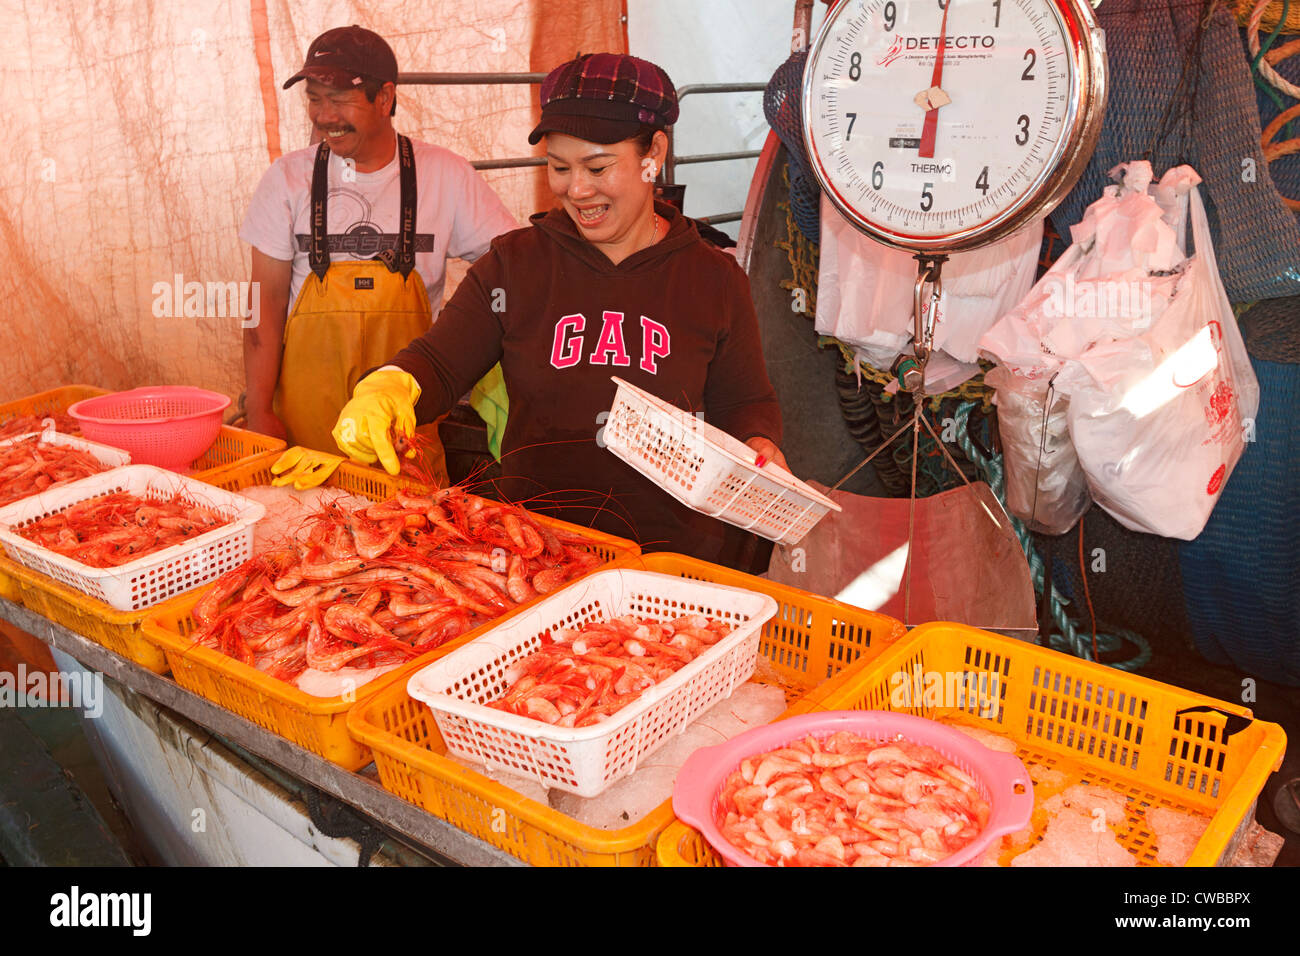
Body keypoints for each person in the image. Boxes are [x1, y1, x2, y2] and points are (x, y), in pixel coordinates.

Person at [276, 52, 787, 565]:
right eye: (559, 168)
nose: (576, 190)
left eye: (598, 166)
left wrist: (760, 444)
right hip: (535, 546)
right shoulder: (516, 264)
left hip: (671, 555)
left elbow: (745, 403)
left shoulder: (714, 278)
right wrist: (391, 385)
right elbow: (439, 361)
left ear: (653, 152)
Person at [241, 24, 517, 486]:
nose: (325, 115)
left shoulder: (445, 175)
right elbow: (261, 308)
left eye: (340, 99)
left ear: (385, 98)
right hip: (307, 430)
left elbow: (511, 267)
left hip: (404, 425)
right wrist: (259, 409)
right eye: (315, 98)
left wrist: (467, 342)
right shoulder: (285, 180)